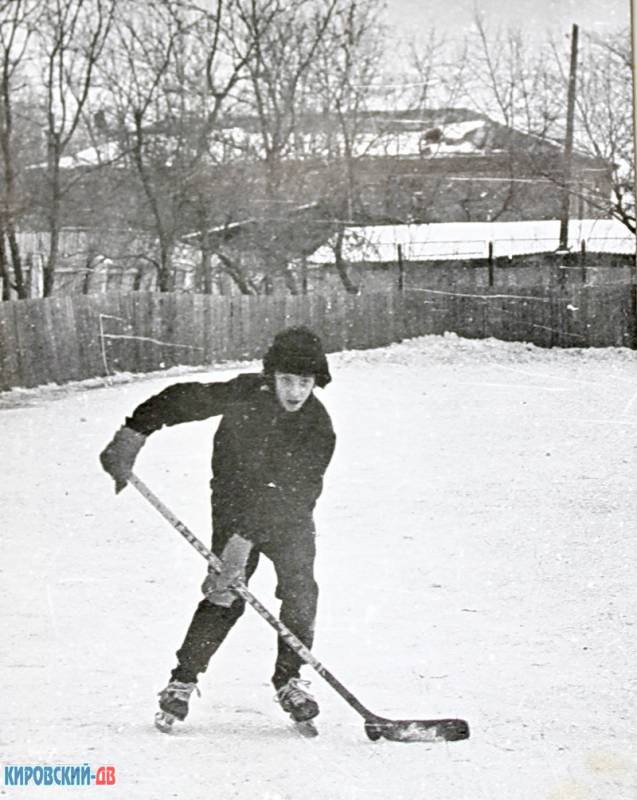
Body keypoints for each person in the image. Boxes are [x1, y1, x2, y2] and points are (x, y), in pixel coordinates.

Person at [99, 326, 336, 731]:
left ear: (316, 383)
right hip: (234, 499)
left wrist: (243, 541)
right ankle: (182, 680)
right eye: (286, 380)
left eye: (304, 382)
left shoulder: (318, 429)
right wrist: (133, 432)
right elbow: (183, 400)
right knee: (225, 592)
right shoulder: (245, 393)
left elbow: (297, 494)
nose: (295, 392)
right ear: (270, 376)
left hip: (288, 513)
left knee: (300, 589)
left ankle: (290, 679)